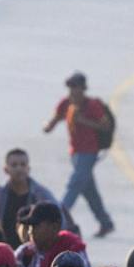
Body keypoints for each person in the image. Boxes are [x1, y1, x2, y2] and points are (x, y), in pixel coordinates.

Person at [44, 69, 117, 238]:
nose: (73, 91)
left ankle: (58, 219)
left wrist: (82, 121)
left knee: (74, 185)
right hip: (75, 154)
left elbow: (105, 126)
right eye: (70, 87)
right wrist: (48, 125)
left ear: (83, 88)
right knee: (89, 190)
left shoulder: (93, 106)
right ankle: (106, 223)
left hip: (89, 152)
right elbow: (53, 122)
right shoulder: (66, 104)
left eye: (76, 87)